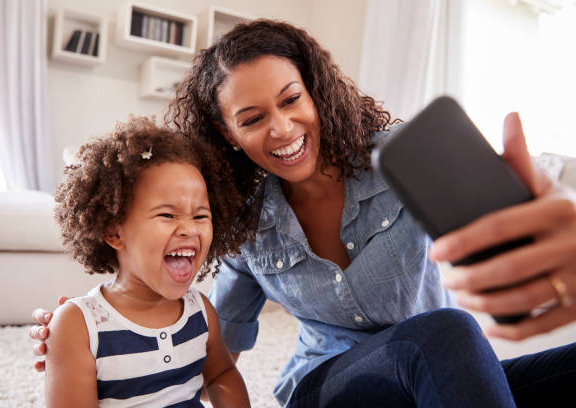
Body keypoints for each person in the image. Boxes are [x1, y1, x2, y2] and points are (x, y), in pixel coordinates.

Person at [32, 20, 576, 407]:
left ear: (314, 93)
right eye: (252, 117)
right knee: (447, 334)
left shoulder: (401, 159)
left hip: (425, 372)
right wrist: (86, 337)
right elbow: (213, 341)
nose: (282, 129)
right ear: (229, 134)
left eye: (291, 100)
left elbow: (514, 243)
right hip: (327, 388)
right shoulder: (244, 220)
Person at [43, 117, 250, 407]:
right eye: (168, 215)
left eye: (201, 216)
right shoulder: (80, 325)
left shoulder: (200, 312)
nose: (190, 229)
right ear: (114, 232)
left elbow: (221, 376)